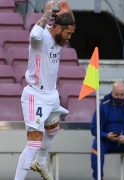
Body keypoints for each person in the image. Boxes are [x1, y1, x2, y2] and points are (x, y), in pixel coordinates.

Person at [14, 1, 75, 180]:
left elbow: (67, 20)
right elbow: (33, 33)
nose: (69, 37)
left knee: (52, 131)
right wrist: (47, 13)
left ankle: (40, 163)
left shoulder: (58, 37)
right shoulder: (39, 39)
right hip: (35, 96)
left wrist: (65, 9)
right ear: (57, 28)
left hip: (51, 95)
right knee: (34, 142)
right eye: (68, 33)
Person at [90, 81, 124, 180]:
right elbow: (94, 128)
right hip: (107, 141)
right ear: (112, 92)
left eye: (122, 95)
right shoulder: (103, 106)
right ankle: (99, 177)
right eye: (116, 94)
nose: (119, 97)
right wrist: (106, 135)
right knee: (96, 147)